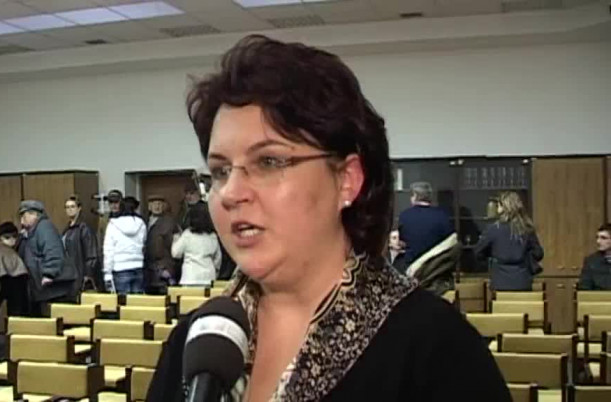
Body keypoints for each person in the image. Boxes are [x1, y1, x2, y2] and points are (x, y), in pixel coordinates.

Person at [147, 35, 509, 402]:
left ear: (346, 180)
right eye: (220, 171)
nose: (230, 192)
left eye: (268, 162)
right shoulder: (195, 343)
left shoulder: (437, 349)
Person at [18, 200, 76, 316]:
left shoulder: (44, 228)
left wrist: (49, 274)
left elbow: (53, 251)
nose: (21, 221)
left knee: (52, 320)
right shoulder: (32, 231)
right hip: (43, 289)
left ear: (34, 215)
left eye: (24, 216)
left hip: (53, 288)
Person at [475, 192, 544, 291]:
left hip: (499, 282)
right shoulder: (527, 229)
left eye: (499, 204)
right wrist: (526, 256)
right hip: (522, 282)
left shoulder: (493, 229)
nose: (497, 207)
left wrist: (492, 255)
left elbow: (478, 252)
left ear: (504, 207)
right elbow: (538, 254)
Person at [398, 182, 455, 266]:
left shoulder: (405, 216)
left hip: (412, 264)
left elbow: (402, 240)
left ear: (415, 196)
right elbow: (449, 240)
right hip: (435, 265)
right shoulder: (442, 215)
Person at [103, 196, 147, 294]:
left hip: (120, 268)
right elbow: (143, 243)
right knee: (138, 302)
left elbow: (108, 251)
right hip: (138, 267)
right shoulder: (141, 224)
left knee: (123, 302)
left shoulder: (113, 224)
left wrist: (107, 273)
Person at [172, 203, 221, 286]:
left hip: (190, 277)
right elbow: (217, 259)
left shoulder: (187, 234)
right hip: (208, 277)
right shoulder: (212, 236)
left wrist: (176, 238)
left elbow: (176, 254)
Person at [63, 195, 101, 292]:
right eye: (67, 207)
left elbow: (91, 253)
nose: (70, 209)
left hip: (80, 273)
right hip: (70, 272)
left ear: (79, 208)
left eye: (72, 207)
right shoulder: (67, 229)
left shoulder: (84, 228)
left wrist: (88, 274)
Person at [144, 196, 177, 294]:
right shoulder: (144, 221)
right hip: (147, 266)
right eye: (154, 204)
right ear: (149, 206)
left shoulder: (169, 222)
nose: (157, 207)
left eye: (159, 204)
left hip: (163, 266)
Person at [579, 223, 611, 290]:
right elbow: (584, 287)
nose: (598, 241)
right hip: (599, 296)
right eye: (597, 237)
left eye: (603, 238)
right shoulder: (591, 261)